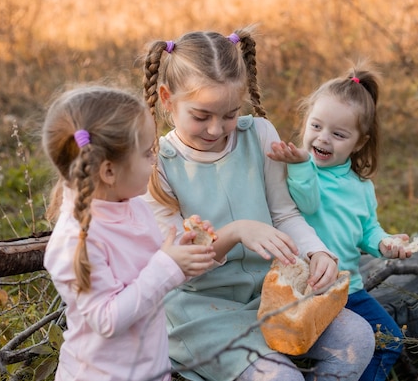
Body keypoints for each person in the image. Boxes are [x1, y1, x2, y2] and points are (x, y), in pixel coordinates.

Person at [141, 26, 375, 381]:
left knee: (357, 339)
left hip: (271, 293)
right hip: (202, 310)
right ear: (166, 98)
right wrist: (236, 232)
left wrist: (317, 252)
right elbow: (178, 264)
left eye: (230, 114)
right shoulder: (158, 163)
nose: (217, 129)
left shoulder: (259, 134)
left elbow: (285, 213)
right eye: (201, 116)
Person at [42, 85, 216, 381]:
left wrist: (183, 258)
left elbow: (148, 277)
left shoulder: (133, 205)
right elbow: (107, 320)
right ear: (109, 172)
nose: (154, 161)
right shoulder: (76, 240)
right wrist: (167, 265)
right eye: (148, 153)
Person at [267, 65, 415, 381]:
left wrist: (385, 243)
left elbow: (366, 230)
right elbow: (306, 202)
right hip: (300, 286)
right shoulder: (297, 171)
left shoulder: (360, 186)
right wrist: (300, 166)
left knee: (388, 342)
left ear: (359, 143)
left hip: (349, 289)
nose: (323, 138)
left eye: (338, 134)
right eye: (316, 126)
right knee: (288, 347)